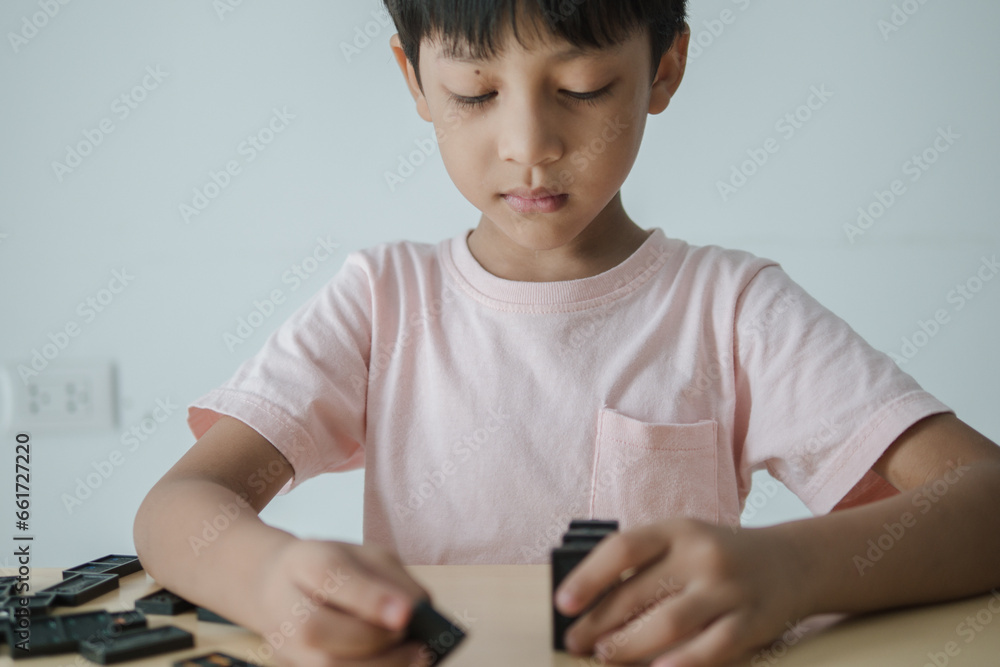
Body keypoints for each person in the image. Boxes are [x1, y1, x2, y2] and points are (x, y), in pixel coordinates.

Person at [133, 1, 1000, 665]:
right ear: (414, 80)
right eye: (474, 92)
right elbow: (177, 511)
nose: (530, 145)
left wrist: (787, 571)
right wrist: (267, 580)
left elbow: (986, 502)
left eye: (582, 88)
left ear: (665, 69)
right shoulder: (382, 299)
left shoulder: (731, 307)